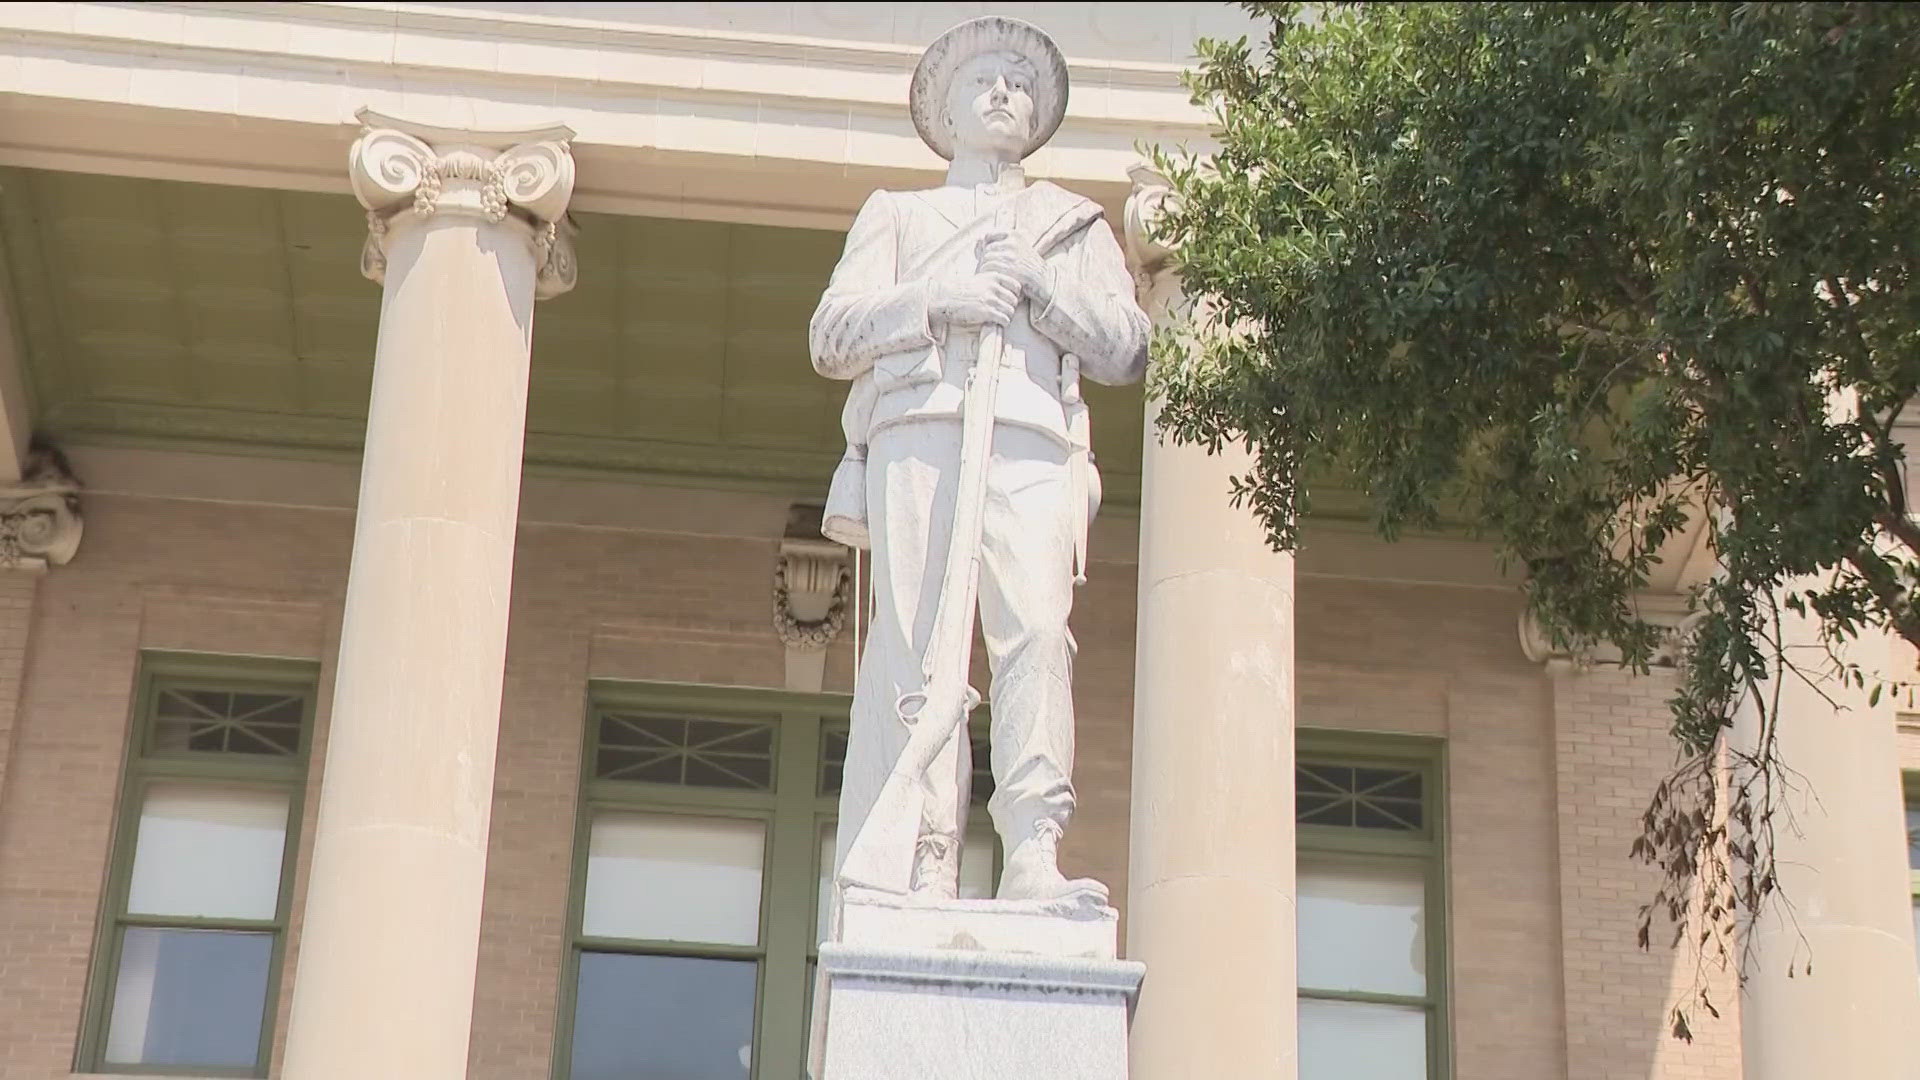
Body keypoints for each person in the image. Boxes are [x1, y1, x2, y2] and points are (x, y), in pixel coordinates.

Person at [809, 15, 1149, 904]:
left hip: (1034, 440)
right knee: (920, 649)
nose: (1004, 92)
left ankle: (1034, 843)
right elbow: (831, 335)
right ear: (946, 110)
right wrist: (939, 300)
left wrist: (1042, 291)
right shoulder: (899, 214)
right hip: (923, 430)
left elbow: (1125, 347)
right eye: (983, 80)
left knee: (1036, 631)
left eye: (1019, 82)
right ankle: (924, 854)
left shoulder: (1072, 226)